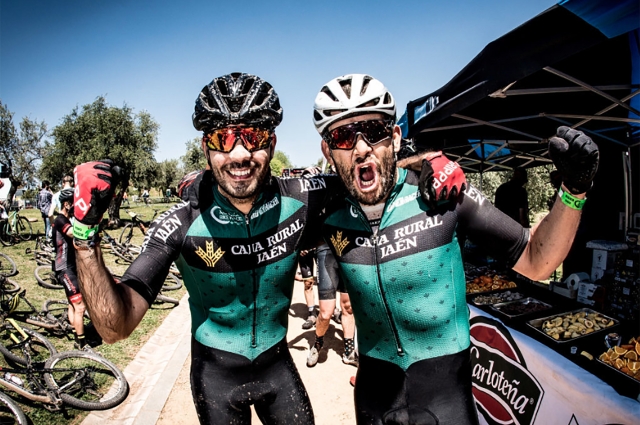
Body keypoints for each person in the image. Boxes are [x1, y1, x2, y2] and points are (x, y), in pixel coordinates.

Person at [71, 72, 463, 425]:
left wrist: (430, 162)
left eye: (254, 137)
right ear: (206, 147)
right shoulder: (182, 224)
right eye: (223, 138)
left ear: (271, 144)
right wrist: (84, 236)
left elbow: (368, 168)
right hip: (215, 380)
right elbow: (114, 328)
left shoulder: (303, 199)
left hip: (279, 373)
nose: (240, 153)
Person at [312, 73, 599, 424]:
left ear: (395, 136)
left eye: (373, 130)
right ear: (327, 150)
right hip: (374, 398)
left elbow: (537, 260)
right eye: (342, 136)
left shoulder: (443, 192)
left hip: (445, 399)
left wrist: (573, 189)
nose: (360, 148)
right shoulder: (325, 211)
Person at [306, 242, 358, 367]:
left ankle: (349, 351)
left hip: (349, 250)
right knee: (325, 314)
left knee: (348, 307)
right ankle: (318, 343)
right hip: (325, 249)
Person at [51, 188, 89, 350]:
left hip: (69, 267)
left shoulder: (65, 219)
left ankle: (76, 332)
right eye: (74, 204)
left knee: (72, 304)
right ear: (66, 204)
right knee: (80, 306)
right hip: (65, 269)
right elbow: (73, 233)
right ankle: (81, 342)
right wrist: (89, 231)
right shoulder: (60, 220)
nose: (76, 208)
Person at [298, 247, 318, 330]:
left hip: (321, 248)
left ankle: (333, 310)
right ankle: (312, 314)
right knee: (308, 283)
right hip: (305, 249)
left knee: (326, 281)